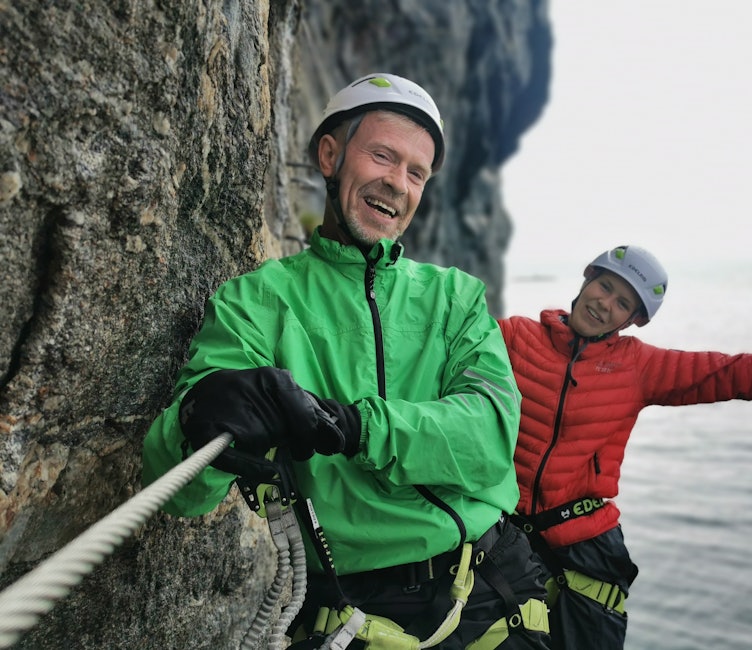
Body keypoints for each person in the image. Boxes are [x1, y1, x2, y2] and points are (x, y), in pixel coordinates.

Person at [142, 73, 550, 649]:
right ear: (330, 155)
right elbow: (181, 492)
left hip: (492, 584)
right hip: (355, 604)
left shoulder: (456, 297)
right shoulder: (258, 302)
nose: (398, 185)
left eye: (417, 173)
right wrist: (198, 420)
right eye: (382, 156)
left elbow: (490, 437)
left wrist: (360, 427)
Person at [496, 244, 752, 650]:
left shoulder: (639, 367)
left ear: (634, 320)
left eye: (622, 303)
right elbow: (441, 338)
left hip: (585, 550)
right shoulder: (514, 337)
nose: (604, 304)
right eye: (603, 287)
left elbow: (737, 373)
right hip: (501, 535)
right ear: (586, 279)